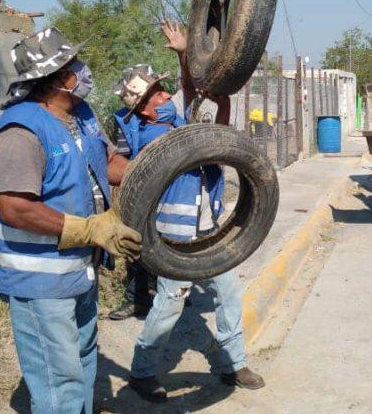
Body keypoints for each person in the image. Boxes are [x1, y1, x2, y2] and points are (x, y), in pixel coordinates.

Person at [0, 27, 140, 414]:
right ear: (56, 78)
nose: (83, 71)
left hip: (80, 269)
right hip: (39, 278)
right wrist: (89, 229)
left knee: (84, 358)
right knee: (59, 378)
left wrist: (154, 171)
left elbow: (108, 163)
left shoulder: (81, 115)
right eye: (74, 65)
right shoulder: (19, 132)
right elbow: (15, 208)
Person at [114, 21, 265, 403]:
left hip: (208, 231)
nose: (165, 96)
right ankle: (142, 371)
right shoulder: (152, 137)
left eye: (163, 91)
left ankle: (233, 363)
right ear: (143, 109)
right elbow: (190, 108)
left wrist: (184, 54)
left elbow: (187, 92)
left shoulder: (174, 120)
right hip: (174, 239)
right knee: (169, 303)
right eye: (157, 94)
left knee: (229, 293)